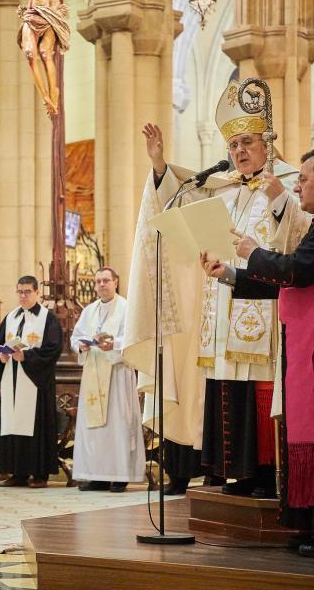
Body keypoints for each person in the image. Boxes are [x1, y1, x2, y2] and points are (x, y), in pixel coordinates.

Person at [123, 79, 311, 498]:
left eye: (247, 142)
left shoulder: (290, 183)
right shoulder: (221, 187)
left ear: (267, 145)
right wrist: (159, 167)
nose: (239, 152)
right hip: (221, 307)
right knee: (227, 389)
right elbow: (180, 205)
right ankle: (236, 473)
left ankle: (267, 475)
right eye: (233, 145)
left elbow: (302, 233)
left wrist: (281, 196)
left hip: (265, 309)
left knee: (259, 390)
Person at [201, 148, 314, 556]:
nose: (298, 184)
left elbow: (297, 269)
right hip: (302, 345)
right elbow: (282, 282)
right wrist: (230, 273)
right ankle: (307, 522)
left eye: (304, 179)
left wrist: (252, 253)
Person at [70, 267, 145, 493]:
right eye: (98, 281)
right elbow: (75, 337)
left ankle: (120, 476)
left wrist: (116, 344)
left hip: (117, 374)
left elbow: (135, 338)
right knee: (95, 429)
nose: (102, 284)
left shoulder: (126, 308)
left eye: (106, 280)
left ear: (116, 282)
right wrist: (81, 345)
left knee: (117, 425)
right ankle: (97, 476)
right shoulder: (89, 311)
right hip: (93, 372)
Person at [0, 275, 63, 488]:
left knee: (35, 425)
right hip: (11, 378)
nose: (23, 296)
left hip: (35, 382)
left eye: (27, 292)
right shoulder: (11, 317)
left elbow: (53, 350)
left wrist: (27, 357)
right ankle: (17, 473)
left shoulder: (48, 319)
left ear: (37, 292)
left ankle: (40, 473)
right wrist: (0, 358)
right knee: (13, 423)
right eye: (20, 292)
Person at [17, 0, 70, 116]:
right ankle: (44, 96)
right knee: (30, 54)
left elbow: (56, 7)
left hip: (49, 18)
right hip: (32, 17)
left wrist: (57, 13)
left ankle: (53, 91)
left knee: (45, 54)